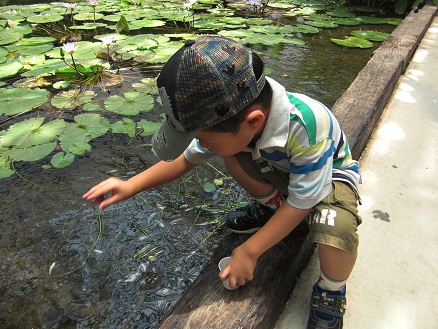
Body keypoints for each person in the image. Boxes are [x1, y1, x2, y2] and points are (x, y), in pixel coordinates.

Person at [82, 36, 362, 329]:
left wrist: (249, 251)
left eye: (203, 139)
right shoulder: (234, 114)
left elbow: (304, 200)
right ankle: (271, 208)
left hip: (329, 180)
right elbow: (186, 160)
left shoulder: (308, 124)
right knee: (232, 155)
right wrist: (133, 184)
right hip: (285, 173)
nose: (202, 145)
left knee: (336, 229)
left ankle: (331, 290)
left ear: (253, 122)